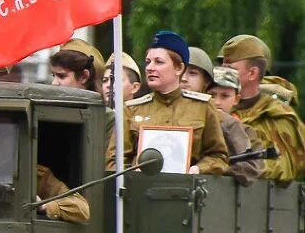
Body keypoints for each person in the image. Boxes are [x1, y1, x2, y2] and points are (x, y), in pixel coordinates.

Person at [111, 31, 230, 175]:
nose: (150, 68)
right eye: (148, 62)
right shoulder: (132, 109)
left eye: (159, 62)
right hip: (140, 191)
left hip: (187, 191)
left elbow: (219, 157)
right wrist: (132, 172)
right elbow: (113, 161)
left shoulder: (203, 107)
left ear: (179, 68)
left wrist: (198, 169)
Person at [219, 34, 305, 185]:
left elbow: (286, 165)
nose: (222, 74)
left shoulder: (276, 115)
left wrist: (247, 166)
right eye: (222, 67)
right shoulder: (216, 107)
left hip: (257, 201)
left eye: (230, 69)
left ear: (252, 73)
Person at [184, 52, 260, 183]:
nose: (217, 102)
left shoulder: (242, 130)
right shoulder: (194, 121)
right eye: (212, 95)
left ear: (236, 99)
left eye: (224, 96)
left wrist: (218, 169)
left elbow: (250, 169)